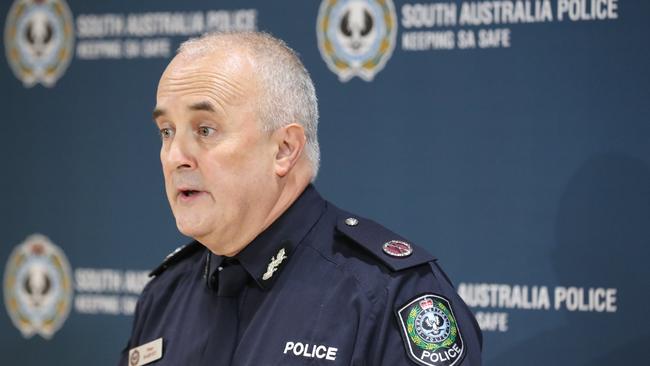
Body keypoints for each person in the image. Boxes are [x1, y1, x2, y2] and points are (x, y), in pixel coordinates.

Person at [119, 31, 482, 366]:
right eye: (166, 131)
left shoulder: (389, 294)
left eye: (205, 129)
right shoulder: (164, 293)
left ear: (284, 149)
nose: (175, 156)